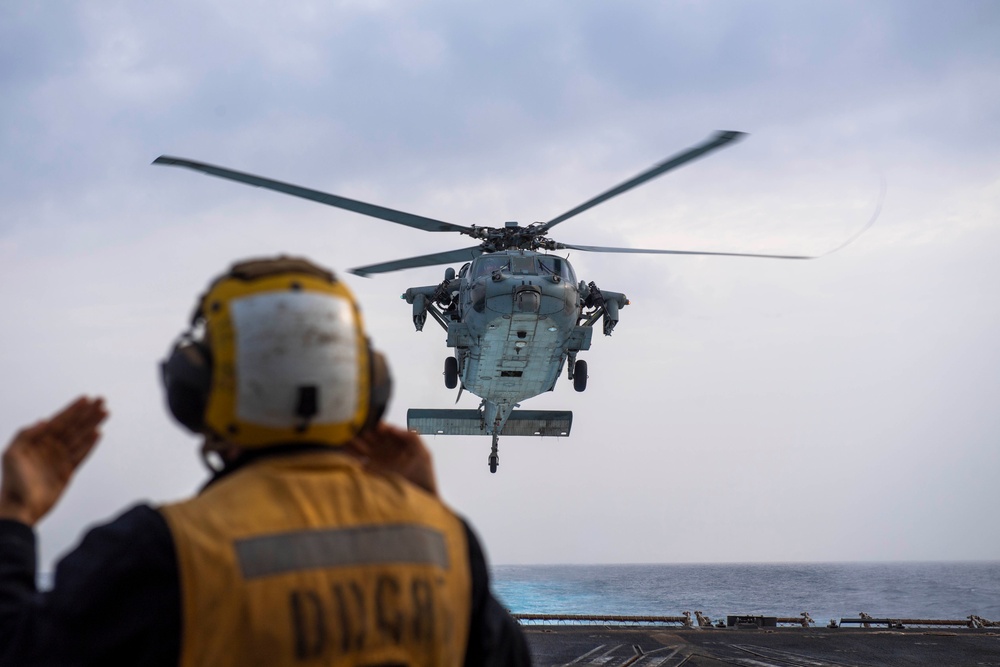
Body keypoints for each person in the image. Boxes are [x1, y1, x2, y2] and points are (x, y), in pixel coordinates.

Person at [0, 256, 532, 666]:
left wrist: (13, 517)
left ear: (196, 388)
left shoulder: (162, 553)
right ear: (366, 385)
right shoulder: (447, 542)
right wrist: (429, 516)